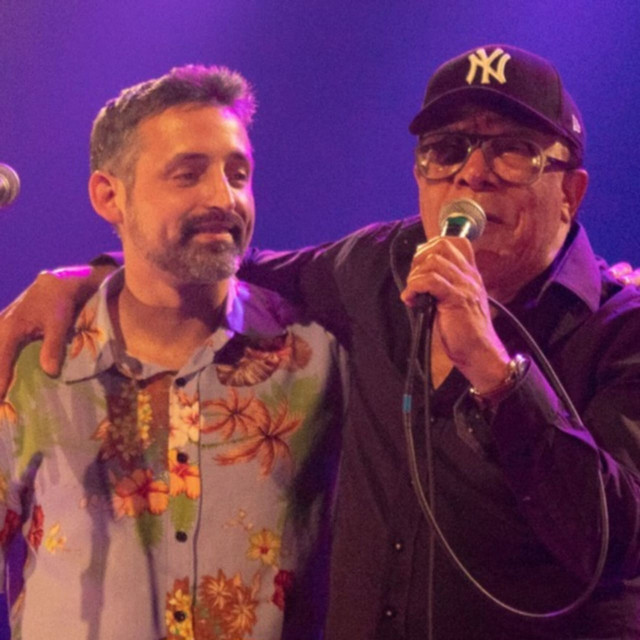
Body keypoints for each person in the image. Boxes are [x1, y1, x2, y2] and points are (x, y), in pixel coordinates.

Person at [2, 44, 640, 639]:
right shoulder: (378, 267)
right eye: (447, 150)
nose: (473, 173)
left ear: (571, 192)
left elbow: (621, 544)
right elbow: (222, 259)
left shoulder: (622, 330)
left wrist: (496, 372)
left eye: (513, 151)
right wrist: (89, 275)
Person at [0, 65, 346, 639]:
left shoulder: (316, 358)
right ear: (109, 195)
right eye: (188, 175)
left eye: (238, 174)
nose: (223, 197)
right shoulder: (33, 365)